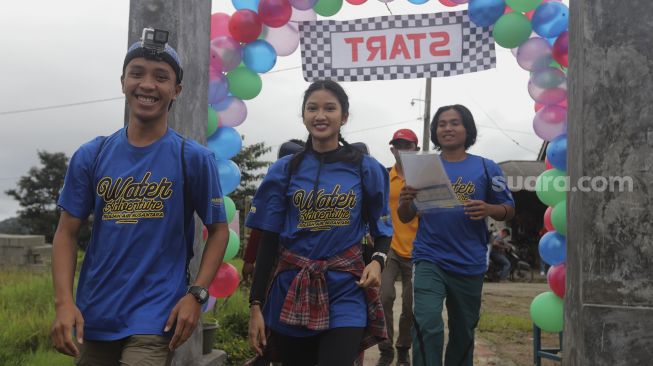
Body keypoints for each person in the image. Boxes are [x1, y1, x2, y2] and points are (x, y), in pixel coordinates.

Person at [50, 28, 229, 365]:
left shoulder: (192, 158)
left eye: (161, 77)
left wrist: (197, 295)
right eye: (137, 73)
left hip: (156, 314)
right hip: (96, 312)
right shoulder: (92, 155)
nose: (147, 84)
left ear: (176, 90)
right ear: (122, 82)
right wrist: (64, 303)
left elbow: (218, 229)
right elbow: (66, 231)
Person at [246, 79, 393, 366]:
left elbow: (382, 227)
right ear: (303, 115)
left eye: (330, 108)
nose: (320, 115)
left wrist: (377, 261)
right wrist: (255, 306)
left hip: (346, 289)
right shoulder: (283, 171)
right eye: (312, 108)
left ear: (344, 117)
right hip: (292, 288)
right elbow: (269, 240)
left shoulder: (366, 168)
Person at [398, 104, 515, 366]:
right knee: (428, 324)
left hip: (469, 261)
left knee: (463, 332)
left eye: (454, 123)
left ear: (467, 129)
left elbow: (509, 210)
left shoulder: (487, 167)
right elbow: (406, 215)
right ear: (435, 130)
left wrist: (489, 208)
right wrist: (405, 200)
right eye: (442, 124)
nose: (448, 128)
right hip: (429, 258)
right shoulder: (424, 167)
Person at [377, 129, 420, 366]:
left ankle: (403, 348)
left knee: (411, 304)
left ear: (416, 149)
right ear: (392, 149)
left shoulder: (424, 177)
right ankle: (386, 351)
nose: (402, 149)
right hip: (390, 246)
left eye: (407, 145)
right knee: (383, 296)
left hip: (418, 248)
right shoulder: (384, 177)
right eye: (398, 145)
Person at [241, 139, 306, 284]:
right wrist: (250, 259)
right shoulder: (276, 188)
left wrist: (249, 260)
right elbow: (261, 227)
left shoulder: (307, 191)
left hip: (295, 261)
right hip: (277, 260)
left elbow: (260, 227)